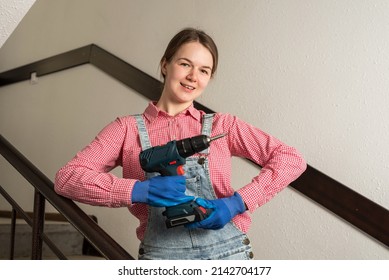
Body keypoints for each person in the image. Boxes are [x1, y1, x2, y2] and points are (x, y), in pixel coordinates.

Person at [55, 27, 307, 260]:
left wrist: (237, 203)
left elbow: (290, 159)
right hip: (163, 259)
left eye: (203, 70)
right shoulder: (126, 130)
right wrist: (138, 191)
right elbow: (67, 178)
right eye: (185, 64)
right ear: (165, 65)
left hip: (229, 256)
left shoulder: (222, 127)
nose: (192, 77)